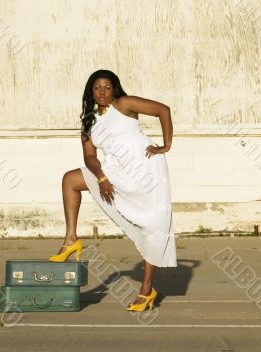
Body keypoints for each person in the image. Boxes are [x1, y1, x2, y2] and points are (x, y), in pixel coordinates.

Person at [49, 69, 177, 311]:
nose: (102, 92)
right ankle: (70, 240)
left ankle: (146, 291)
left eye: (107, 87)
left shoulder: (124, 104)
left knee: (152, 226)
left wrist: (166, 145)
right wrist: (100, 177)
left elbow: (163, 110)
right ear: (91, 91)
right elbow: (89, 156)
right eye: (97, 88)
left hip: (146, 169)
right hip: (113, 171)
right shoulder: (89, 120)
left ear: (114, 88)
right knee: (70, 180)